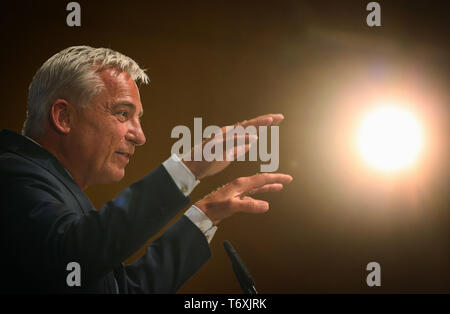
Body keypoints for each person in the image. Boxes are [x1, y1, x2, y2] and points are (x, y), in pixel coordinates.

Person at [0, 46, 293, 293]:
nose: (140, 136)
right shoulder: (10, 172)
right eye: (123, 114)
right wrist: (190, 168)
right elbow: (71, 258)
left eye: (137, 119)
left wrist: (206, 214)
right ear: (64, 116)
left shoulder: (54, 192)